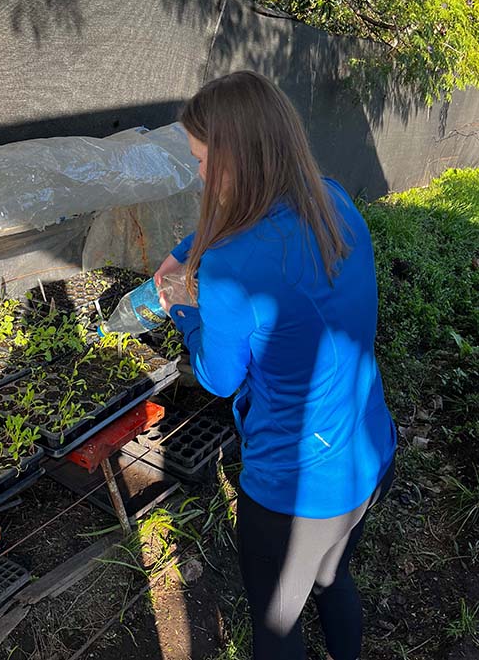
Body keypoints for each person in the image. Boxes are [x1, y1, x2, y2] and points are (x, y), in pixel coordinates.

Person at [154, 70, 396, 660]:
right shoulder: (331, 198)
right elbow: (243, 233)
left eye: (203, 160)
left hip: (296, 488)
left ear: (238, 160)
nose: (201, 174)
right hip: (367, 453)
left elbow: (218, 375)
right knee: (333, 579)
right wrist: (185, 252)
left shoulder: (235, 269)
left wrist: (184, 305)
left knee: (277, 629)